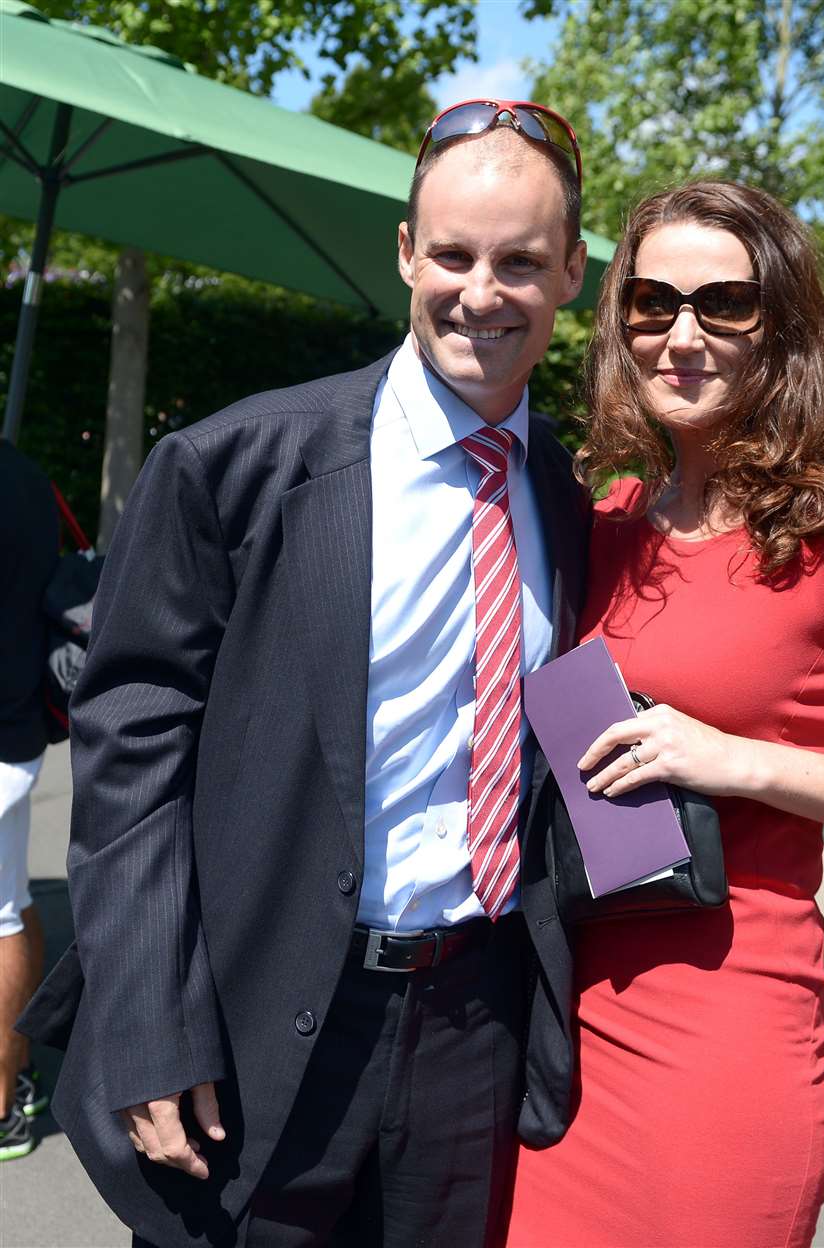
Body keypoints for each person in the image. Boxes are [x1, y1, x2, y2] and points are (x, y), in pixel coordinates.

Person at [20, 99, 590, 1247]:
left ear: (572, 271)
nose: (483, 292)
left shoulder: (568, 503)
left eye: (522, 260)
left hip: (472, 1030)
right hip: (248, 1022)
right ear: (404, 255)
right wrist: (145, 1016)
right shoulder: (234, 467)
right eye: (454, 255)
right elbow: (131, 745)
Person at [503, 181, 824, 1248]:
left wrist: (736, 758)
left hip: (724, 1034)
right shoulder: (606, 523)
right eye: (651, 302)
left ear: (782, 327)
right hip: (561, 1020)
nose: (682, 335)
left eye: (724, 303)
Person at [0, 438, 59, 1161]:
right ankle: (16, 1075)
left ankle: (6, 1099)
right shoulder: (25, 473)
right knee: (12, 903)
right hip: (18, 726)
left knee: (2, 914)